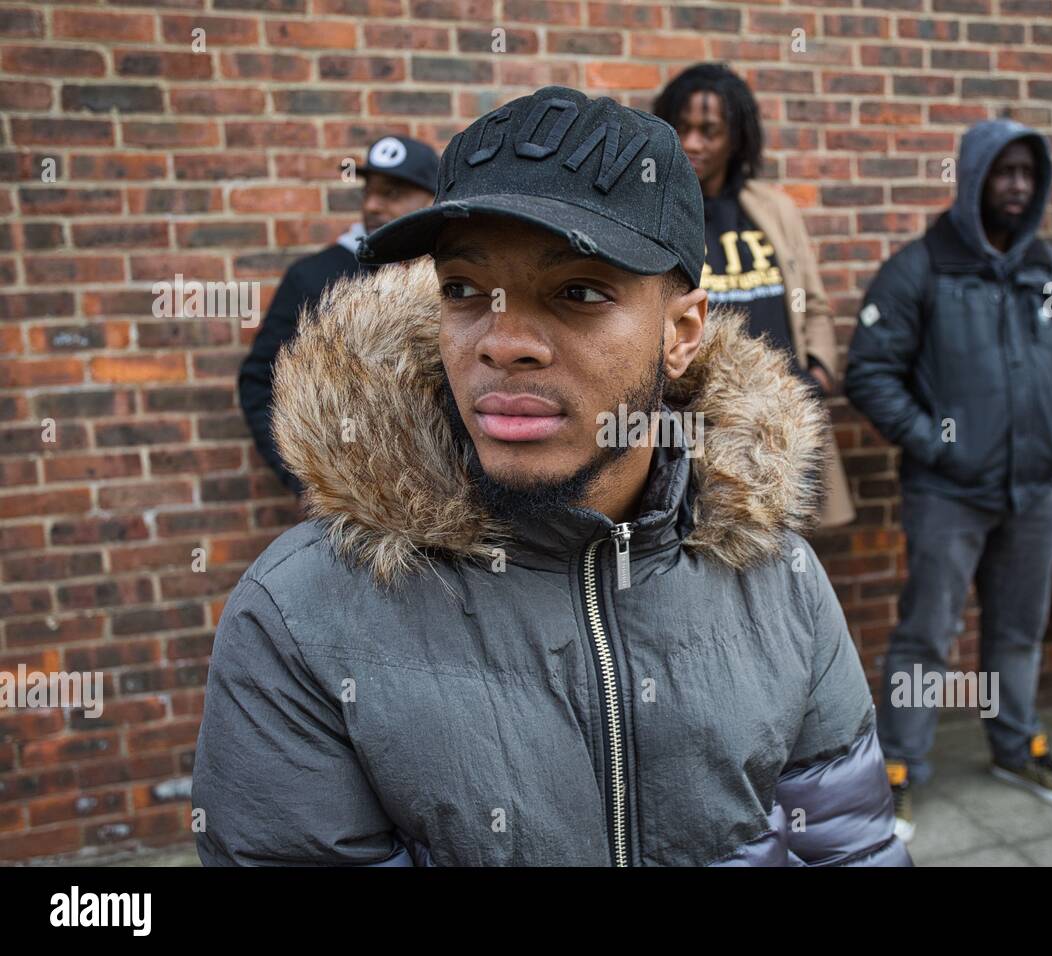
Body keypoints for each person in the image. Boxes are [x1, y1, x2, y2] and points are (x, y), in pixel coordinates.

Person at [192, 87, 909, 868]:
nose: (503, 343)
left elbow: (850, 847)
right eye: (464, 289)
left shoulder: (781, 577)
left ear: (681, 333)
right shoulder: (301, 616)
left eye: (577, 292)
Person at [843, 118, 1052, 844]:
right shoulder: (920, 268)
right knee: (927, 634)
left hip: (1036, 492)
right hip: (947, 493)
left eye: (1028, 172)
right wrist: (938, 445)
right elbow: (868, 370)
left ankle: (1017, 749)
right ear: (973, 178)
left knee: (1019, 632)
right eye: (1003, 172)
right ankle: (895, 768)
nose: (1017, 186)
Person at [653, 63, 855, 529]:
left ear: (737, 138)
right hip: (697, 428)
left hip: (782, 428)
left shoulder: (772, 208)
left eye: (710, 131)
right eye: (682, 128)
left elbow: (815, 304)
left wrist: (818, 374)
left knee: (789, 562)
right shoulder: (659, 210)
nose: (694, 143)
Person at [237, 134, 439, 494]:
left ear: (431, 200)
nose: (373, 205)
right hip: (353, 501)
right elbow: (260, 381)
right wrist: (308, 479)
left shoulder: (452, 276)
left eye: (392, 194)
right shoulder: (313, 277)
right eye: (368, 192)